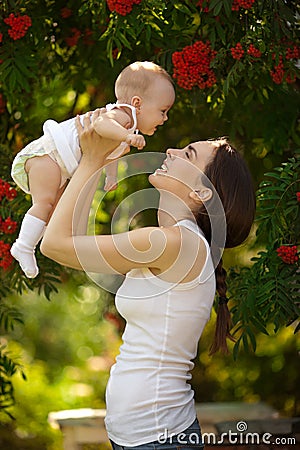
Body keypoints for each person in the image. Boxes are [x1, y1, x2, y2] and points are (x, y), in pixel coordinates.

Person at [41, 110, 256, 449]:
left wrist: (92, 159)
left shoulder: (174, 244)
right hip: (145, 437)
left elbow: (55, 245)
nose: (170, 151)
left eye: (187, 154)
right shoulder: (173, 243)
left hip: (158, 439)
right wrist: (95, 165)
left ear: (201, 192)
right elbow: (68, 239)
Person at [10, 61, 175, 278]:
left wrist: (112, 175)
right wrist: (126, 136)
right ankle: (23, 246)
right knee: (45, 204)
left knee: (54, 213)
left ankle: (30, 245)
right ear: (137, 103)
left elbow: (110, 152)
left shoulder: (126, 127)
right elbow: (101, 126)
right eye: (162, 111)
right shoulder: (122, 115)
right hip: (48, 156)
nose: (165, 118)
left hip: (59, 165)